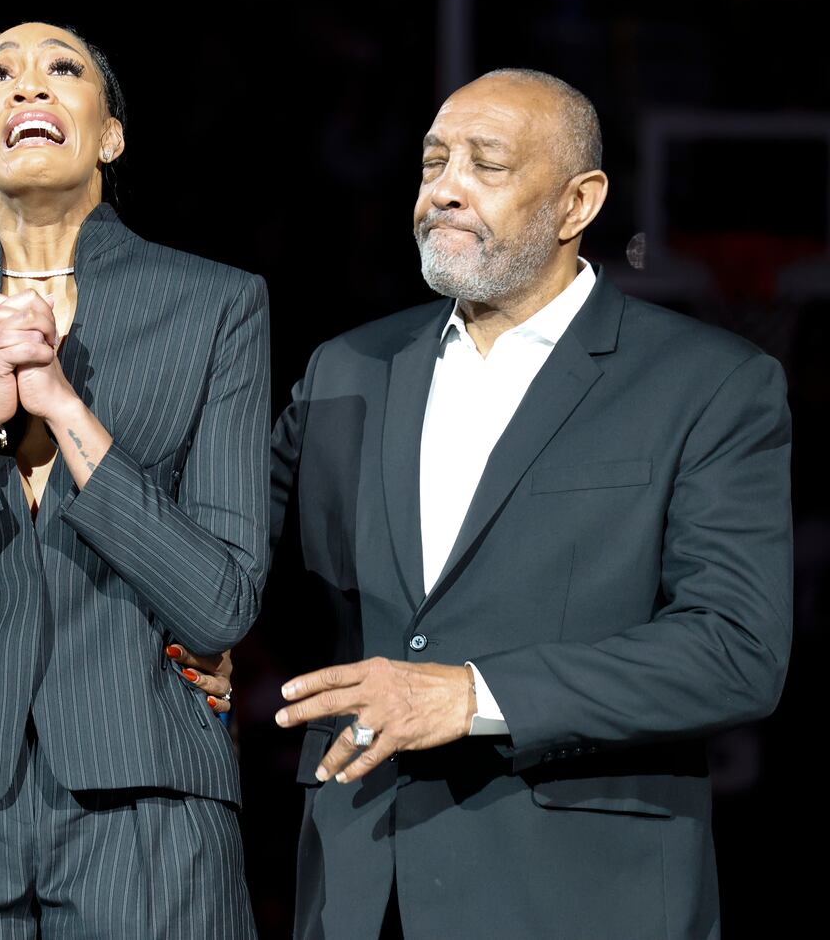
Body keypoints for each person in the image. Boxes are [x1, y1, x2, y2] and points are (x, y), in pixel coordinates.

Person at [268, 69, 792, 939]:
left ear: (577, 202)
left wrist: (472, 692)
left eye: (487, 163)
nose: (445, 187)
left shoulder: (708, 384)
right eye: (434, 161)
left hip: (581, 897)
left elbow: (734, 648)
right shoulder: (348, 367)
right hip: (362, 892)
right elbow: (236, 554)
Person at [0, 21, 267, 938]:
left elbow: (220, 603)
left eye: (62, 70)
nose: (29, 86)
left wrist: (66, 409)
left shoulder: (218, 304)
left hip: (150, 793)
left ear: (110, 134)